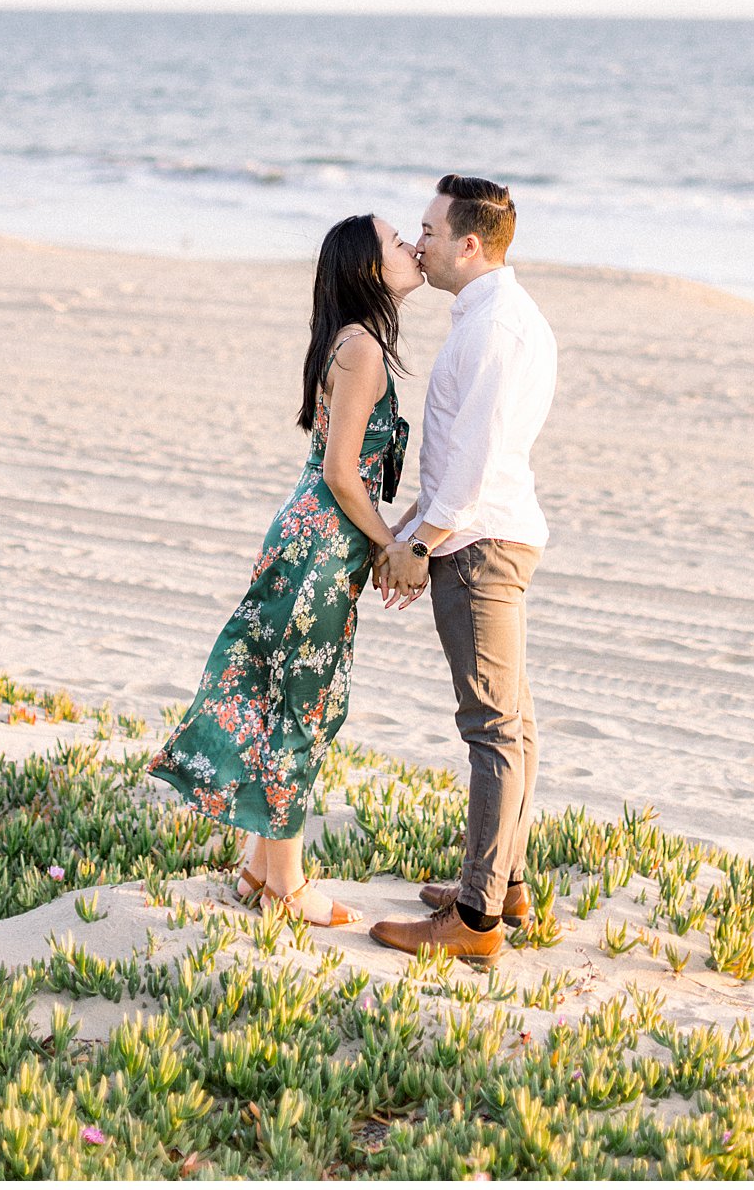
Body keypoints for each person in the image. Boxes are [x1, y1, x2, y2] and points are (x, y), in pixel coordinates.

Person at [146, 213, 423, 926]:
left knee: (280, 692)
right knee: (305, 701)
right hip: (324, 543)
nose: (411, 248)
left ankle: (257, 869)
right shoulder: (361, 348)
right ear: (368, 267)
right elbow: (341, 471)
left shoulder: (344, 339)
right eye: (397, 242)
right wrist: (391, 542)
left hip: (305, 533)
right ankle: (287, 886)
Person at [369, 174, 558, 960]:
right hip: (483, 537)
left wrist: (417, 544)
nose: (420, 244)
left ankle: (474, 923)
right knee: (510, 723)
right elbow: (456, 458)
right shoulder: (488, 316)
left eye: (430, 231)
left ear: (469, 243)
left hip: (480, 548)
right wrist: (408, 529)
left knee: (491, 729)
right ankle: (502, 886)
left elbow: (471, 469)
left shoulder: (494, 331)